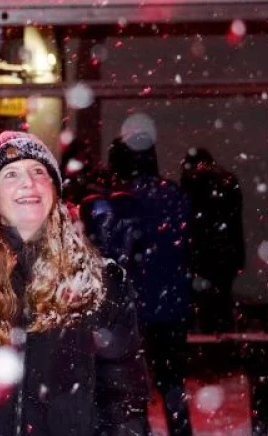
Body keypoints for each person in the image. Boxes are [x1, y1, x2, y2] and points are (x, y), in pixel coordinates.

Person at [0, 131, 150, 435]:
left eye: (39, 171)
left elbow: (124, 399)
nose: (29, 182)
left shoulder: (100, 282)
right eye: (11, 174)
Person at [109, 136, 193, 436]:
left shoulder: (124, 201)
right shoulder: (176, 195)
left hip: (139, 305)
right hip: (174, 301)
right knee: (172, 382)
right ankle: (180, 431)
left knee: (134, 385)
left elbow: (117, 252)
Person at [180, 148, 245, 333]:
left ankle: (208, 345)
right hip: (225, 255)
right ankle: (223, 345)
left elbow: (191, 221)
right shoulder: (227, 183)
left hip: (202, 255)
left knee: (204, 305)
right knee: (221, 303)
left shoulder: (193, 184)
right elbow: (234, 224)